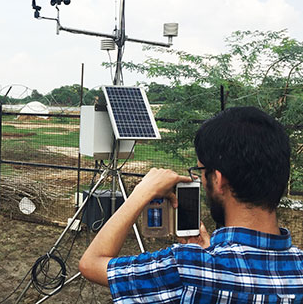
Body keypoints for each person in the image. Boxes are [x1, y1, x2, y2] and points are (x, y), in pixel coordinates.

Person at [79, 106, 303, 302]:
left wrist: (140, 194)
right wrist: (210, 253)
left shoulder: (187, 268)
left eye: (201, 171)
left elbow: (91, 263)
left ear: (218, 179)